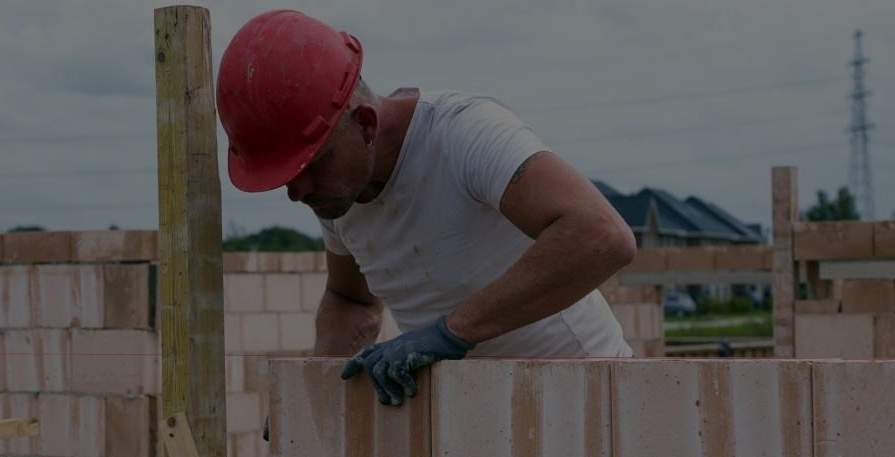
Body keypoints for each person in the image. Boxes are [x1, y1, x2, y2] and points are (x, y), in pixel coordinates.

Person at [216, 9, 637, 406]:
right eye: (286, 175)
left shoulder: (463, 135)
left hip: (589, 397)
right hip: (474, 416)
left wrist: (451, 333)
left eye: (313, 164)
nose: (297, 191)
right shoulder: (335, 193)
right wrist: (318, 396)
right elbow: (351, 300)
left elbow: (600, 235)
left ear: (365, 123)